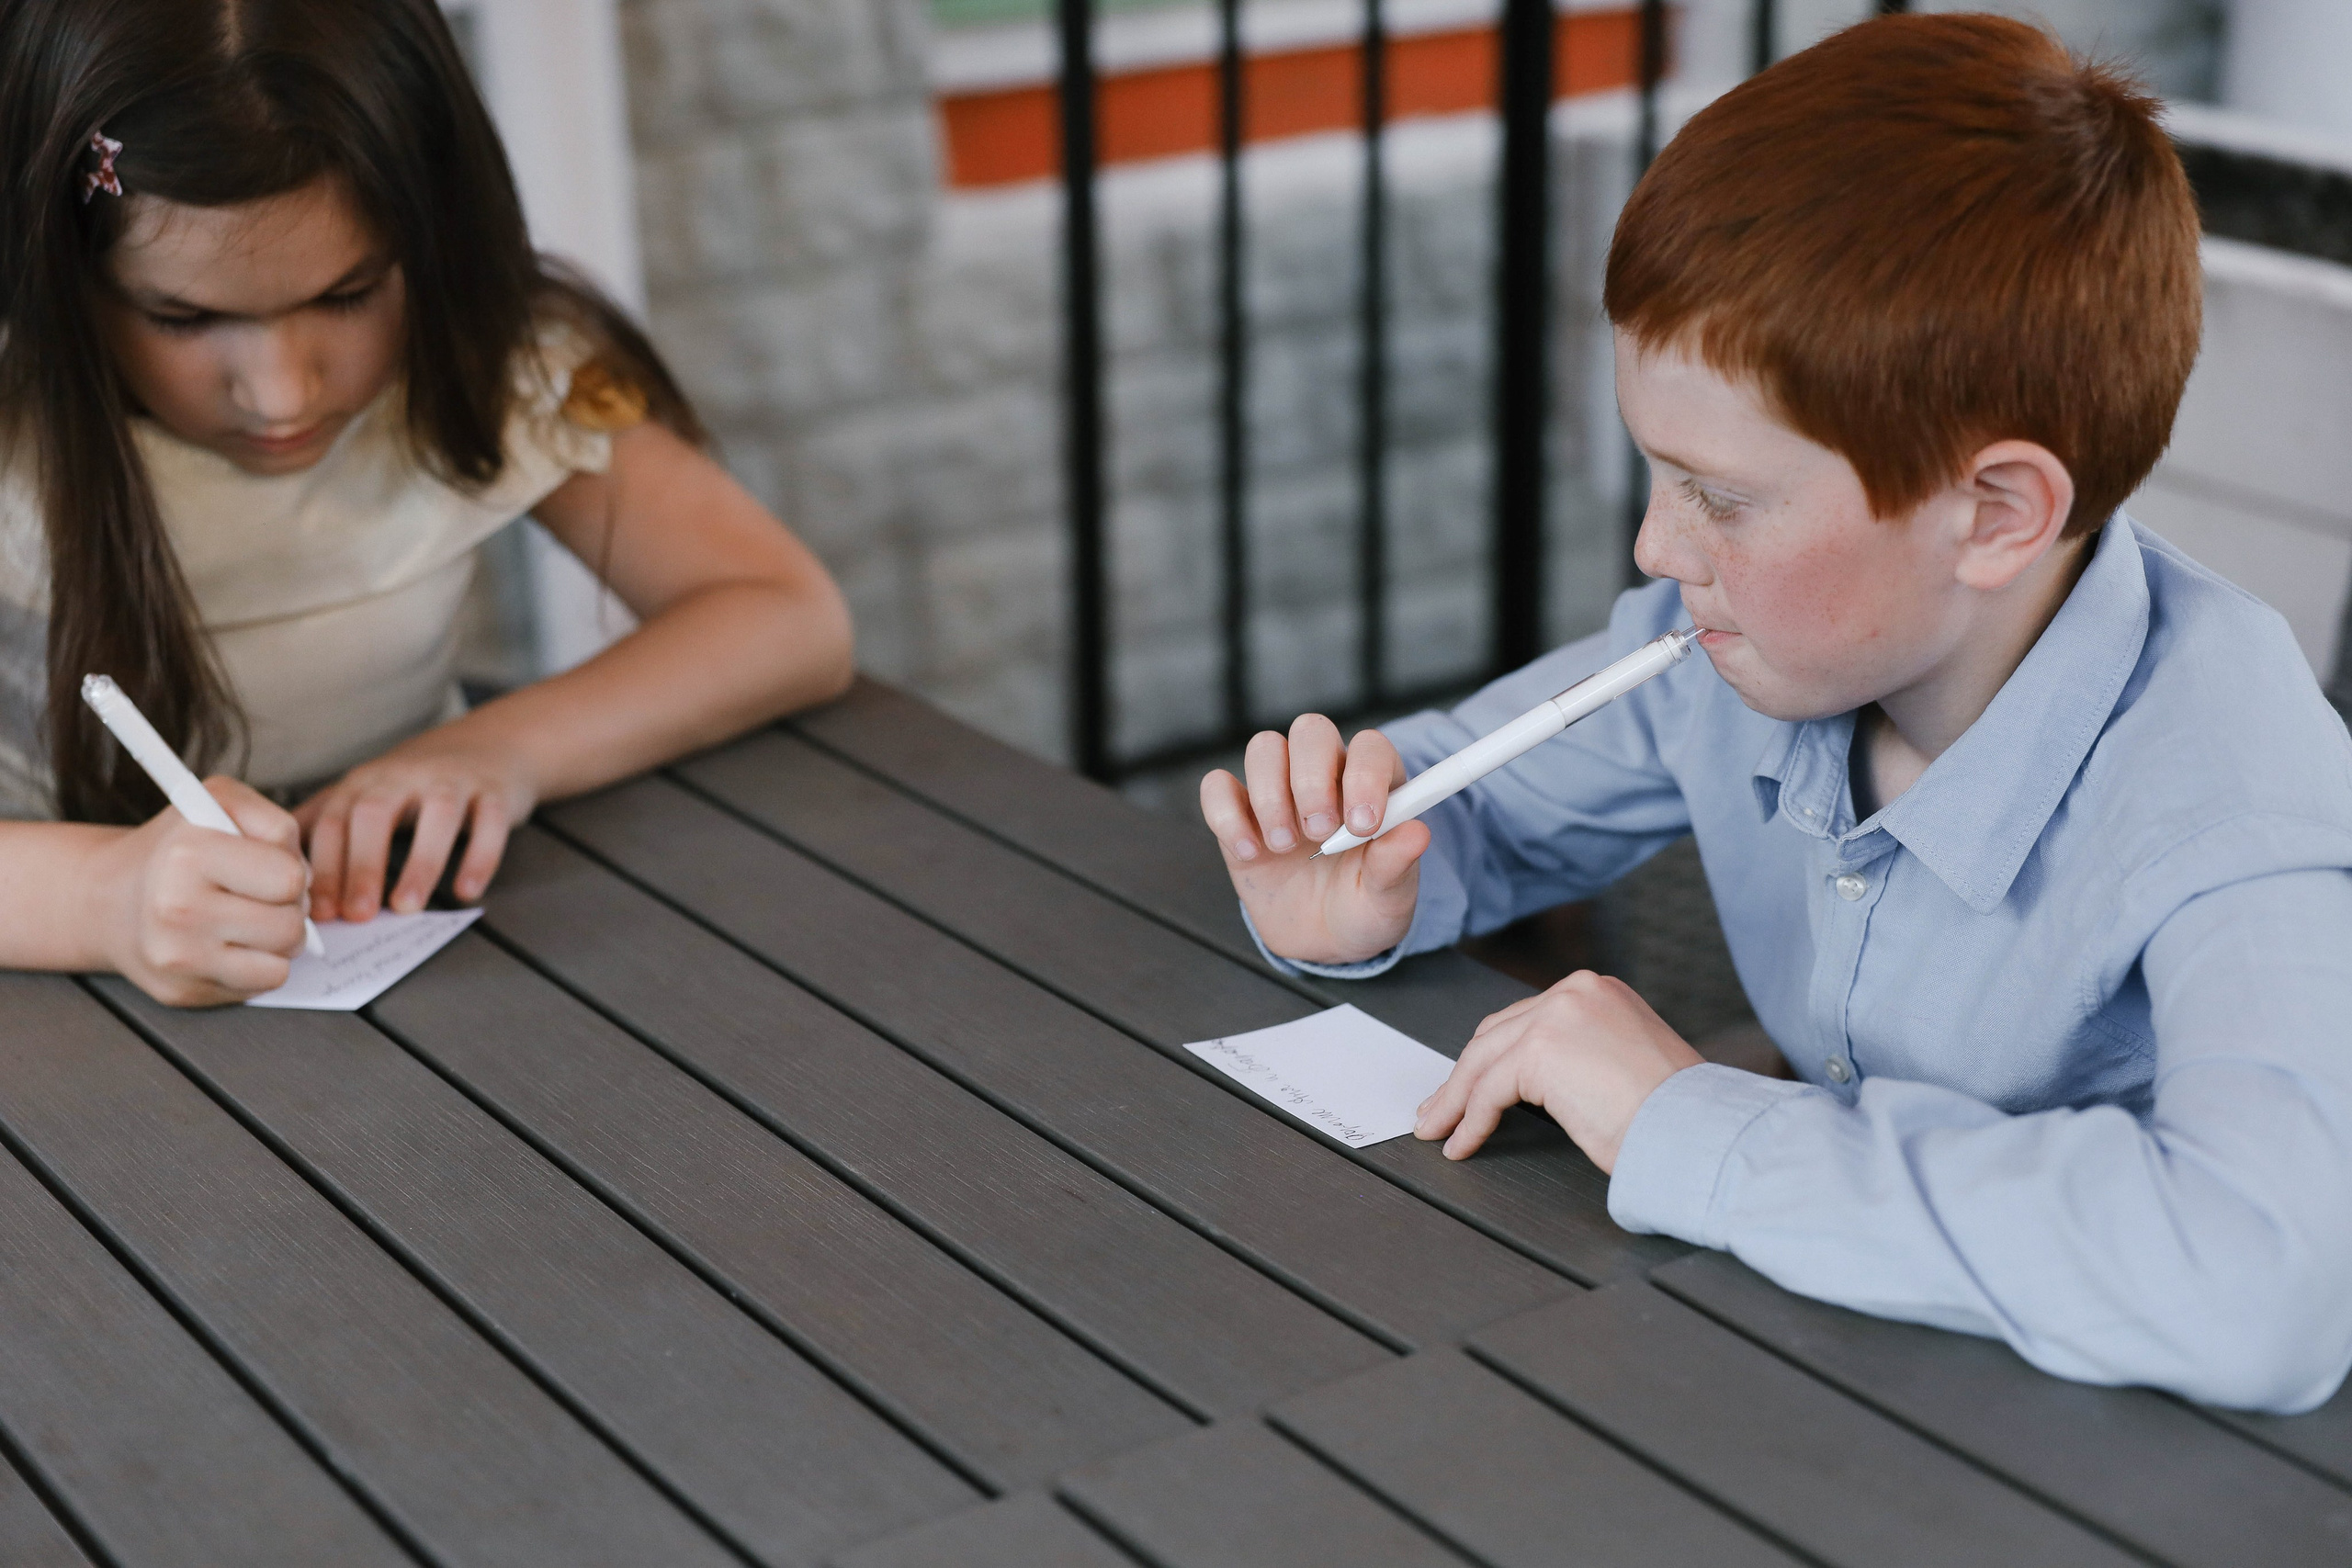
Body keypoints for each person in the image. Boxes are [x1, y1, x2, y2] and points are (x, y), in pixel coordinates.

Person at [1202, 14, 2352, 1414]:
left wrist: (1697, 1126)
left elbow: (2269, 1281)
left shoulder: (2236, 794)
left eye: (1721, 496)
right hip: (1819, 1387)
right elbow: (1465, 798)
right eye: (1656, 471)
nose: (1653, 546)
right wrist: (1353, 889)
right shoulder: (1739, 645)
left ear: (1993, 514)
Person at [0, 0, 853, 1007]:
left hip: (396, 970)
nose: (282, 392)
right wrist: (103, 898)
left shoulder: (495, 362)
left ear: (436, 233)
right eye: (183, 317)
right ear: (57, 270)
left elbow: (787, 617)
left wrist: (497, 750)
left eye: (346, 294)